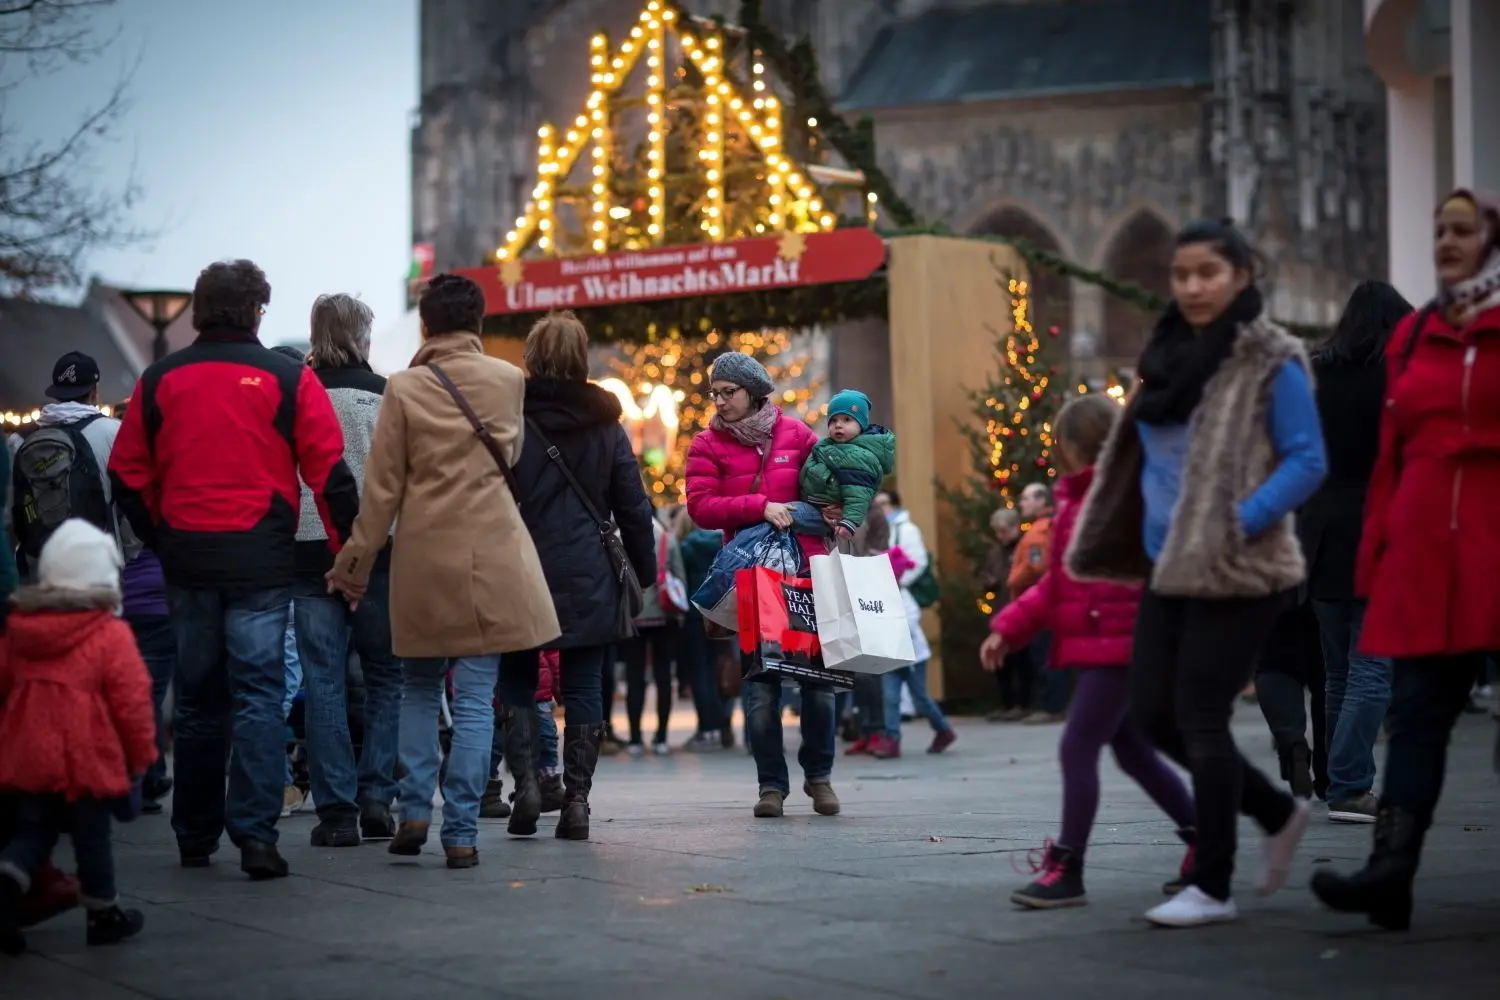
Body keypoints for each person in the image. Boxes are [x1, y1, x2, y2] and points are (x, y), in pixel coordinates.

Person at [1067, 218, 1327, 928]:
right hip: (1165, 563)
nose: (1193, 287)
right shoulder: (1167, 353)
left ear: (1241, 276)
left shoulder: (1272, 359)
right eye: (1182, 275)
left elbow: (1307, 459)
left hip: (1237, 564)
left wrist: (1241, 519)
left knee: (1200, 717)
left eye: (1208, 273)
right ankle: (1276, 811)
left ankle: (1211, 884)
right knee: (1152, 714)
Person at [109, 259, 362, 880]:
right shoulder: (286, 378)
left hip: (188, 558)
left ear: (198, 310)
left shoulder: (160, 378)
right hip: (261, 559)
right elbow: (329, 475)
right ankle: (255, 836)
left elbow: (126, 474)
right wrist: (347, 552)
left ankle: (194, 834)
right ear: (257, 311)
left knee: (197, 700)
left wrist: (161, 537)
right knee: (258, 695)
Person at [1311, 189, 1500, 930]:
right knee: (1418, 715)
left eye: (1465, 229)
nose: (1448, 240)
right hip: (1423, 555)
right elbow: (1389, 456)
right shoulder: (1414, 336)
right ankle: (1390, 870)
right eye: (1440, 230)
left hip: (1492, 544)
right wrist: (1377, 559)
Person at [328, 274, 560, 868]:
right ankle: (461, 832)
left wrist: (353, 566)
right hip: (492, 553)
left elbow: (382, 490)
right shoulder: (510, 381)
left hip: (423, 556)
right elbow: (507, 458)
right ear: (478, 324)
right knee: (478, 697)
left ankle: (413, 812)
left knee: (419, 689)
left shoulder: (403, 388)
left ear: (426, 326)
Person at [983, 395, 1196, 908]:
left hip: (1122, 642)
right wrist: (1009, 627)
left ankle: (1069, 865)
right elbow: (1059, 583)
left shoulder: (1123, 496)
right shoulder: (1079, 502)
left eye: (1063, 445)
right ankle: (1204, 838)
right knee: (1133, 752)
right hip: (1106, 641)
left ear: (1081, 446)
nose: (1059, 455)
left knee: (1077, 746)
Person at [497, 310, 655, 841]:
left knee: (517, 676)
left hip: (522, 564)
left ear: (533, 356)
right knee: (585, 682)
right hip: (588, 568)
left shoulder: (512, 419)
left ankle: (525, 786)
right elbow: (632, 505)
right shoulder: (606, 426)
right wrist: (644, 569)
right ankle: (579, 802)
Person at [685, 351, 842, 819]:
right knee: (761, 687)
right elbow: (701, 506)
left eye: (728, 391)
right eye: (715, 393)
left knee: (819, 686)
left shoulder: (797, 434)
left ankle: (819, 777)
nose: (720, 401)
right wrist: (759, 506)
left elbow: (829, 490)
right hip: (754, 578)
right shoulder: (707, 443)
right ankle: (771, 785)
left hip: (809, 575)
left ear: (753, 391)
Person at [0, 520, 157, 954]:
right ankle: (104, 911)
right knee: (92, 838)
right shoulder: (109, 635)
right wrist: (142, 757)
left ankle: (6, 885)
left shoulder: (22, 630)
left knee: (34, 832)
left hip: (29, 753)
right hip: (88, 757)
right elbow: (132, 703)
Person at [290, 295, 403, 846]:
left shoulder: (297, 394)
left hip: (309, 550)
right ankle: (378, 797)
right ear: (362, 336)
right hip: (381, 553)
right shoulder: (387, 396)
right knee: (386, 677)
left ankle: (335, 811)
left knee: (323, 680)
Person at [1301, 281, 1412, 823]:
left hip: (1321, 534)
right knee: (1373, 669)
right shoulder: (1399, 377)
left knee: (1338, 673)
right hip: (1378, 529)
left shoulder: (1316, 373)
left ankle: (1337, 780)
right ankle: (1349, 786)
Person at [9, 353, 121, 582]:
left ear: (56, 393)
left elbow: (12, 512)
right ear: (94, 392)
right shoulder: (114, 433)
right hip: (98, 567)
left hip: (40, 569)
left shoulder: (19, 441)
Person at [880, 522, 956, 756]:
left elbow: (911, 623)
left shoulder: (905, 598)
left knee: (920, 698)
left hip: (912, 656)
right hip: (890, 655)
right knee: (890, 697)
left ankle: (943, 729)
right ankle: (892, 739)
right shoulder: (880, 594)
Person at [622, 514, 685, 756]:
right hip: (665, 617)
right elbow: (679, 577)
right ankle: (661, 737)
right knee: (663, 677)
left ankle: (635, 738)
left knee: (634, 678)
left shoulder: (620, 538)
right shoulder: (667, 540)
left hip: (633, 617)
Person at [798, 389, 895, 538]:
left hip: (829, 513)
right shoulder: (830, 446)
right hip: (818, 507)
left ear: (861, 425)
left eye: (847, 420)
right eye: (834, 420)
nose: (838, 425)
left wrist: (849, 522)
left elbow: (858, 492)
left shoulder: (859, 455)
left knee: (785, 515)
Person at [676, 510, 735, 750]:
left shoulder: (686, 546)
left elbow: (679, 579)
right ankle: (723, 724)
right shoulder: (726, 542)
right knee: (722, 668)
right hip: (722, 613)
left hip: (694, 615)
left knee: (700, 672)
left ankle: (706, 727)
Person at [1009, 483, 1068, 724]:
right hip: (1047, 600)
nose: (1021, 503)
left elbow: (1037, 566)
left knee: (1044, 654)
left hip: (1039, 601)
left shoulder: (1038, 532)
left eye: (1025, 499)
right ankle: (1053, 705)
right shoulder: (1044, 528)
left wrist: (1013, 580)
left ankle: (1052, 707)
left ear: (1041, 501)